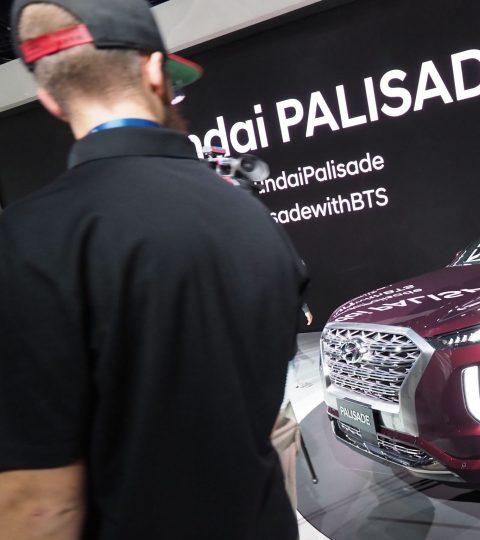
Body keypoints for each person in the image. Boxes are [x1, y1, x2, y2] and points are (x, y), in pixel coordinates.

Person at [0, 1, 306, 539]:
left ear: (49, 99)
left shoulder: (28, 240)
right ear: (156, 71)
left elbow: (42, 507)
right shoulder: (251, 215)